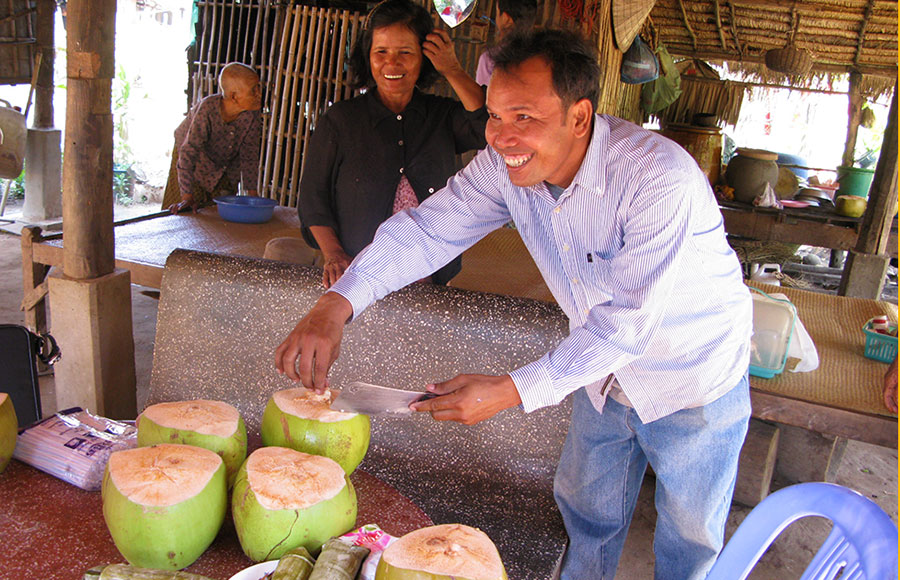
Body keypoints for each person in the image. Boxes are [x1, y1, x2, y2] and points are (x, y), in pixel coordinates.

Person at [275, 29, 753, 580]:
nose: (503, 137)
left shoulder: (656, 179)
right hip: (599, 381)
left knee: (689, 543)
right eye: (495, 116)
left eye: (523, 117)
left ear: (579, 117)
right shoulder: (505, 167)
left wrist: (510, 390)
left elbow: (625, 328)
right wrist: (336, 303)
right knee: (584, 521)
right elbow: (428, 232)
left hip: (691, 375)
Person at [296, 0, 487, 288]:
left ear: (424, 57)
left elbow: (486, 125)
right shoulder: (341, 121)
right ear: (367, 56)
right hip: (357, 275)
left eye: (405, 53)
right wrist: (334, 253)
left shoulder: (441, 117)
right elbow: (313, 199)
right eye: (381, 52)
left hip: (430, 276)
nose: (392, 63)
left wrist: (453, 70)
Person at [162, 62, 262, 213]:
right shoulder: (208, 109)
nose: (259, 94)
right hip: (192, 161)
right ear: (234, 96)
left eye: (259, 87)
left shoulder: (251, 115)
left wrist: (254, 198)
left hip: (223, 163)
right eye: (254, 90)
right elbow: (189, 152)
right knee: (185, 212)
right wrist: (187, 197)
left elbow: (250, 157)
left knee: (215, 213)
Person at [475, 0, 537, 87]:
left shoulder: (489, 60)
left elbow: (480, 99)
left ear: (505, 18)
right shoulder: (542, 56)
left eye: (497, 14)